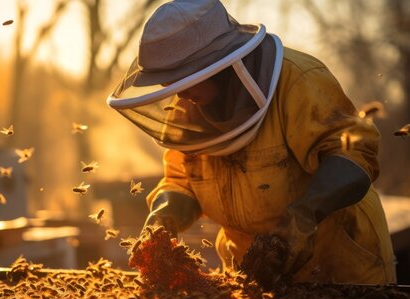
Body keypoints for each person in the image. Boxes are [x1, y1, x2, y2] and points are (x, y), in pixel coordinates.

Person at [107, 0, 396, 284]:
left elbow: (354, 154)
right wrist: (164, 216)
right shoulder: (186, 111)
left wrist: (306, 213)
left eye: (183, 78)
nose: (176, 92)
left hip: (337, 265)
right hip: (252, 272)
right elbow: (182, 180)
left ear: (218, 65)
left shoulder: (299, 80)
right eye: (169, 81)